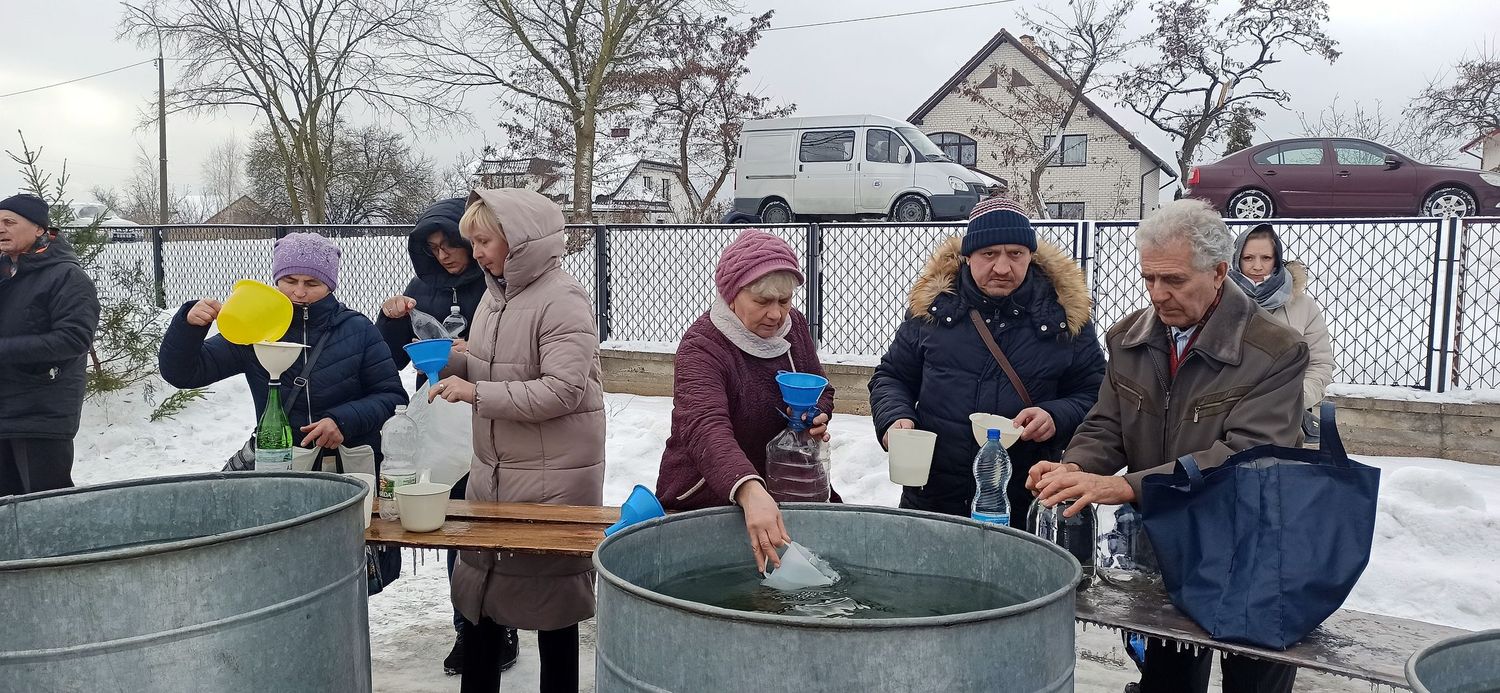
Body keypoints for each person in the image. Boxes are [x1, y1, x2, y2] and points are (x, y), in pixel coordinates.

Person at [1029, 199, 1309, 693]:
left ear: (1219, 272)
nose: (1159, 294)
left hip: (1256, 556)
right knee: (1168, 681)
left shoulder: (1275, 350)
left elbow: (1245, 457)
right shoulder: (1129, 339)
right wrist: (1075, 468)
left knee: (1254, 683)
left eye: (1174, 280)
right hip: (1171, 551)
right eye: (1149, 279)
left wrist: (1130, 488)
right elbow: (1107, 425)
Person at [428, 188, 604, 693]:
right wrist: (451, 359)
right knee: (482, 603)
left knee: (552, 609)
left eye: (484, 241)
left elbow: (563, 390)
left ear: (520, 239)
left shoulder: (562, 298)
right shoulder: (495, 295)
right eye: (473, 242)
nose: (475, 252)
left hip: (553, 480)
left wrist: (476, 392)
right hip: (497, 473)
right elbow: (494, 365)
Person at [868, 198, 1105, 520]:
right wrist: (895, 417)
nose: (1002, 268)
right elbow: (892, 376)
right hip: (932, 499)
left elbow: (1096, 395)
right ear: (968, 256)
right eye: (989, 254)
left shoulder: (1064, 317)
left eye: (1015, 254)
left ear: (1030, 256)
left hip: (1023, 501)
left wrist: (1055, 415)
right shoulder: (933, 310)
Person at [374, 197, 516, 677]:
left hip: (491, 414)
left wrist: (478, 351)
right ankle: (467, 628)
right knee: (452, 520)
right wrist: (391, 317)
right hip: (437, 420)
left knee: (487, 522)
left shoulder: (499, 282)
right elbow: (391, 358)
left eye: (450, 244)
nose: (444, 255)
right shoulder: (422, 287)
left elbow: (520, 352)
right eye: (432, 248)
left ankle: (501, 626)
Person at [654, 230, 837, 573]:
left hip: (786, 483)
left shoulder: (794, 326)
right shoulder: (703, 346)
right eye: (762, 301)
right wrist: (749, 489)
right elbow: (705, 427)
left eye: (784, 301)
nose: (776, 314)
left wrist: (815, 415)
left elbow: (821, 388)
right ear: (731, 295)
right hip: (707, 494)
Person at [159, 231, 406, 472]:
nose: (299, 292)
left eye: (312, 283)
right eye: (290, 280)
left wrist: (343, 421)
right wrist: (188, 327)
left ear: (330, 286)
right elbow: (183, 374)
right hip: (278, 464)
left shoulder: (358, 329)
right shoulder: (255, 326)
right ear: (277, 280)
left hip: (347, 463)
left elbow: (392, 397)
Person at [0, 194, 100, 496]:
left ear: (39, 228)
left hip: (41, 411)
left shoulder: (67, 276)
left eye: (9, 222)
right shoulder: (4, 273)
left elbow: (74, 339)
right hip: (5, 409)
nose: (1, 229)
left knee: (46, 506)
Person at [1232, 223, 1334, 442]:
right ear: (1236, 259)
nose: (1257, 266)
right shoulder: (1218, 301)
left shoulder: (1303, 306)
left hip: (1285, 420)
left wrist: (1294, 399)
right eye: (1248, 258)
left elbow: (1320, 364)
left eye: (1266, 258)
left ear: (1276, 260)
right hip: (1226, 416)